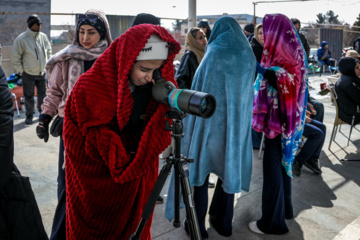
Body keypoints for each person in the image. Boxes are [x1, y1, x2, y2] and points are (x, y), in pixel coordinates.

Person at [63, 24, 180, 239]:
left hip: (137, 189)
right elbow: (80, 146)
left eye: (156, 70)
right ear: (126, 61)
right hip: (98, 191)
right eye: (144, 69)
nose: (150, 77)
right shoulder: (89, 88)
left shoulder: (150, 86)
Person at [166, 16, 256, 239]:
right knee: (228, 172)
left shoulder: (214, 52)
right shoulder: (248, 55)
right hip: (235, 129)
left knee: (201, 176)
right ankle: (224, 223)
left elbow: (197, 90)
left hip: (208, 128)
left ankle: (197, 226)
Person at [36, 9, 112, 240]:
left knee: (94, 190)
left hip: (101, 134)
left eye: (91, 32)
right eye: (81, 32)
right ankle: (61, 235)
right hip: (71, 133)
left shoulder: (112, 59)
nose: (85, 38)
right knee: (68, 186)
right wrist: (45, 118)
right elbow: (55, 91)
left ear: (102, 34)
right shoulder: (67, 58)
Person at [250, 14, 307, 235]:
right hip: (287, 121)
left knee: (272, 167)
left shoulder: (287, 54)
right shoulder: (292, 49)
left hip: (280, 123)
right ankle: (285, 210)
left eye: (267, 30)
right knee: (282, 166)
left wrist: (262, 70)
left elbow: (287, 80)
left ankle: (271, 223)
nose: (265, 34)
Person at [11, 14, 52, 124]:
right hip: (28, 73)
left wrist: (47, 64)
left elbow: (48, 50)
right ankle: (29, 115)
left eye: (41, 24)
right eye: (38, 24)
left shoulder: (43, 36)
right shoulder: (21, 39)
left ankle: (42, 114)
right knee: (28, 95)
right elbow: (15, 57)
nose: (40, 26)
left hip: (41, 72)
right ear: (31, 25)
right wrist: (21, 70)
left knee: (43, 95)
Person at [292, 112, 325, 176]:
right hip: (291, 119)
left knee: (322, 127)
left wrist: (304, 112)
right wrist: (301, 117)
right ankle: (299, 160)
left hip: (298, 115)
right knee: (318, 134)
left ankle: (312, 158)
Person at [334, 57, 360, 125]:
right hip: (352, 116)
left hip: (351, 111)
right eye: (357, 68)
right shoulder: (348, 83)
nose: (359, 69)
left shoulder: (348, 77)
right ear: (349, 69)